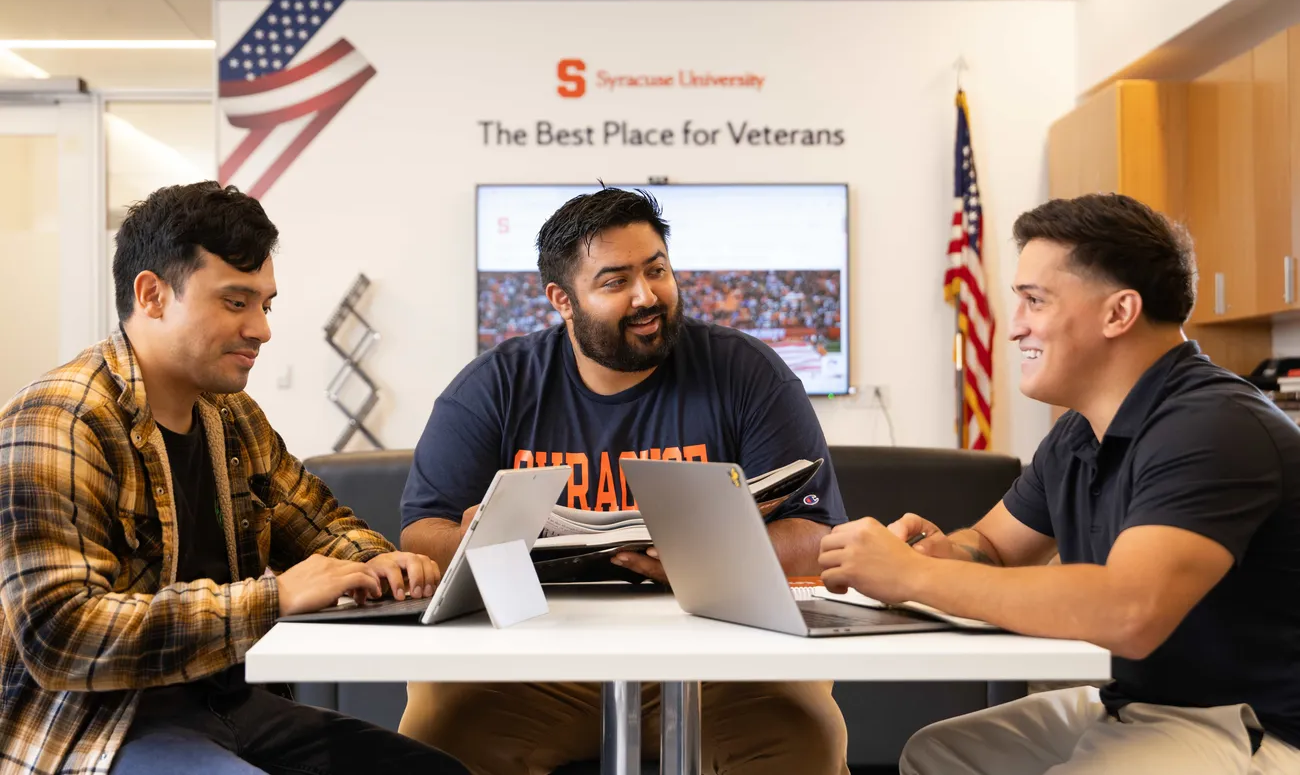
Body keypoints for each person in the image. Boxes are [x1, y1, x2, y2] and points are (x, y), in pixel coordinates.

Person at [818, 193, 1300, 774]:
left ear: (1118, 313)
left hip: (1251, 727)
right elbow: (994, 548)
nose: (1014, 327)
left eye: (1034, 301)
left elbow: (1129, 613)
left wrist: (914, 574)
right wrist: (944, 551)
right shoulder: (1079, 433)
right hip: (1144, 706)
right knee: (938, 753)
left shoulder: (1214, 428)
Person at [0, 182, 468, 775]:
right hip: (95, 728)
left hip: (228, 704)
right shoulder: (60, 420)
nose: (262, 329)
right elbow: (60, 635)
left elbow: (321, 524)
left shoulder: (230, 415)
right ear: (152, 295)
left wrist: (377, 563)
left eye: (264, 305)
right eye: (235, 302)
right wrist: (275, 598)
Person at [399, 187, 851, 775]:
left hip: (724, 658)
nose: (647, 296)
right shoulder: (493, 386)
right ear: (563, 299)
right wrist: (475, 544)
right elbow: (420, 534)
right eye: (616, 282)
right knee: (437, 733)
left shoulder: (747, 372)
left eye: (657, 270)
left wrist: (708, 557)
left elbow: (816, 535)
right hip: (538, 662)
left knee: (804, 740)